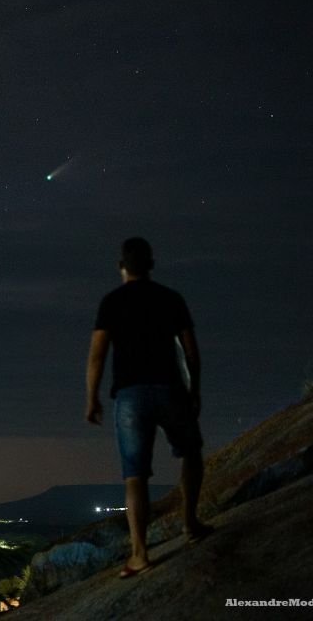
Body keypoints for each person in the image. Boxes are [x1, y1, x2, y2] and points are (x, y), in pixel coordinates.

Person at [85, 237, 211, 578]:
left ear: (121, 267)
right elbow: (190, 351)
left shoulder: (111, 302)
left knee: (135, 475)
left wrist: (92, 398)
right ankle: (190, 525)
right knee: (191, 453)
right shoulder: (170, 298)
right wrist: (194, 389)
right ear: (151, 265)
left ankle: (140, 555)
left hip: (130, 395)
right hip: (171, 389)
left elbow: (97, 354)